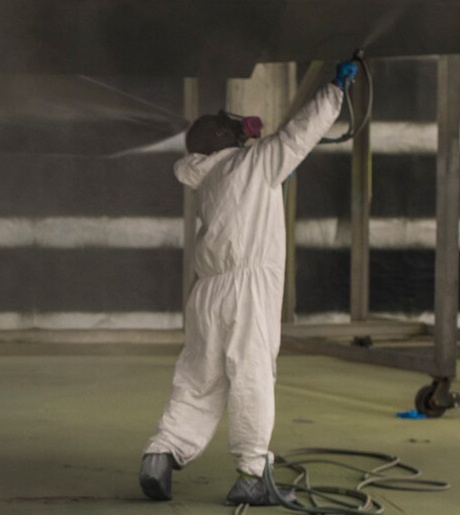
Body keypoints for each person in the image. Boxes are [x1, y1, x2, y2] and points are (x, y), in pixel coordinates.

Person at [139, 60, 358, 507]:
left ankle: (161, 453)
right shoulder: (254, 163)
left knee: (199, 379)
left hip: (207, 293)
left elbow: (256, 184)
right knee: (253, 374)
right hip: (246, 290)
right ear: (225, 140)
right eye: (234, 129)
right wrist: (335, 90)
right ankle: (252, 473)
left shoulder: (213, 178)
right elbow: (299, 133)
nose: (244, 131)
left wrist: (271, 181)